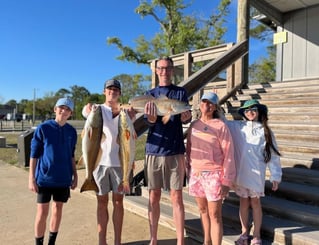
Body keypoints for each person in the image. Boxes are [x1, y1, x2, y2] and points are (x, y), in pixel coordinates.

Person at [143, 56, 192, 245]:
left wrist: (186, 117)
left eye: (168, 68)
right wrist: (151, 118)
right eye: (161, 68)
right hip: (154, 150)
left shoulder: (180, 93)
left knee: (176, 196)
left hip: (175, 150)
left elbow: (184, 117)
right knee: (153, 195)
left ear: (173, 70)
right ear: (156, 71)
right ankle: (153, 239)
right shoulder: (150, 94)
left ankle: (180, 240)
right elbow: (149, 121)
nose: (164, 71)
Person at [82, 79, 136, 245]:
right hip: (99, 164)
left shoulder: (125, 112)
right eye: (109, 89)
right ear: (104, 91)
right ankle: (102, 241)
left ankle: (118, 241)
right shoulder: (97, 110)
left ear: (119, 93)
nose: (112, 91)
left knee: (118, 202)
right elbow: (86, 111)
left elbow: (132, 135)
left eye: (115, 89)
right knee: (101, 202)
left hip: (120, 163)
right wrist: (88, 107)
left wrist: (132, 114)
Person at [224, 99, 282, 245]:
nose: (250, 112)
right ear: (243, 113)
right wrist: (217, 107)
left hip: (257, 172)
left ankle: (256, 234)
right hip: (242, 172)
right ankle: (244, 232)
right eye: (247, 110)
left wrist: (275, 175)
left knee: (255, 202)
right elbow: (221, 121)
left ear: (259, 111)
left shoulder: (265, 131)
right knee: (243, 202)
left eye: (253, 109)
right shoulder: (237, 127)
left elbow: (273, 156)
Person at [185, 92, 236, 245]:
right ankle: (206, 241)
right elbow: (189, 149)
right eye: (203, 102)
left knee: (215, 214)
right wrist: (189, 171)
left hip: (214, 175)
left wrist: (226, 181)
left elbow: (229, 153)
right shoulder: (194, 125)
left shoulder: (221, 126)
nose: (206, 106)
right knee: (202, 210)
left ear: (215, 107)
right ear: (200, 104)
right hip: (196, 174)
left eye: (210, 103)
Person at [28, 97, 78, 245]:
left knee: (57, 209)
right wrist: (31, 178)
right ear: (55, 109)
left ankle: (51, 242)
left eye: (68, 109)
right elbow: (34, 154)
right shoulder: (43, 128)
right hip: (44, 178)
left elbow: (71, 155)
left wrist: (75, 175)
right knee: (42, 212)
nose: (64, 111)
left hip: (63, 179)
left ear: (71, 113)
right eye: (61, 107)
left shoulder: (71, 132)